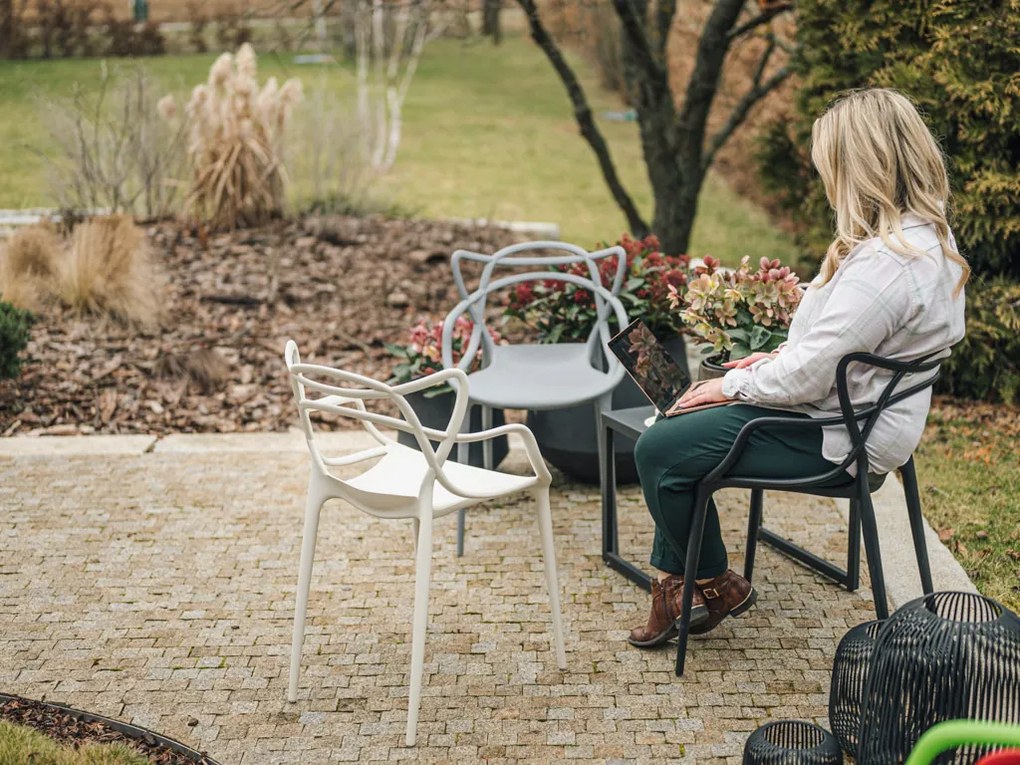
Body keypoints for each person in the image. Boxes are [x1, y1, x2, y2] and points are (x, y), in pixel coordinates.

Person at [628, 88, 969, 648]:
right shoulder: (922, 237)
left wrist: (730, 384)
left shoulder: (887, 264)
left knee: (658, 449)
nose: (824, 180)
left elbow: (811, 378)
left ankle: (709, 582)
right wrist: (776, 358)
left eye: (829, 166)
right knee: (674, 431)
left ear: (858, 166)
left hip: (835, 437)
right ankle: (681, 585)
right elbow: (836, 351)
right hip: (853, 415)